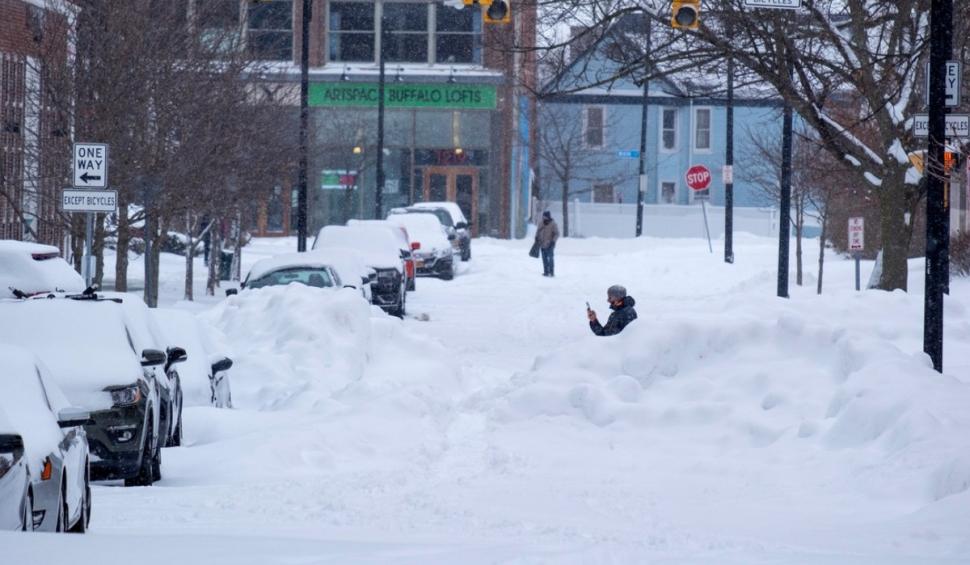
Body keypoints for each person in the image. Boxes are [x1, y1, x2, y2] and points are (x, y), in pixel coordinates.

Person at [534, 210, 559, 277]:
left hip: (550, 244)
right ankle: (546, 272)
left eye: (545, 217)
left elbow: (557, 234)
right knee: (544, 259)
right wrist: (536, 237)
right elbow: (538, 231)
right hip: (542, 244)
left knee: (550, 258)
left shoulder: (553, 224)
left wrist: (553, 241)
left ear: (548, 217)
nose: (544, 218)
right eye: (543, 216)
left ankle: (551, 272)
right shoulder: (541, 223)